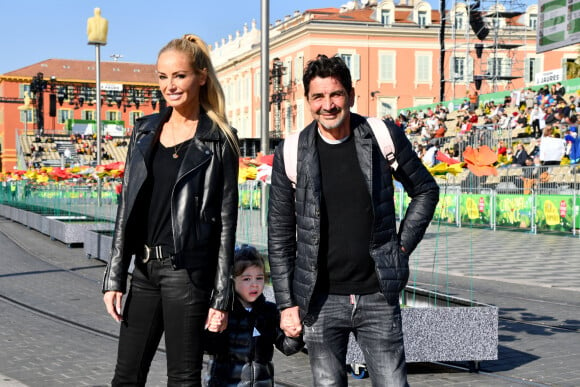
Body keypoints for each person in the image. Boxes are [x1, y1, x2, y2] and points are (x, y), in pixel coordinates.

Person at [267, 55, 440, 386]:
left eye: (335, 95)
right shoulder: (291, 152)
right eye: (318, 97)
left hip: (376, 293)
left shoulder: (380, 136)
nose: (328, 105)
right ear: (308, 101)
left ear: (350, 94)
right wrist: (287, 304)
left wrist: (401, 247)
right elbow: (280, 234)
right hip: (319, 299)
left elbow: (425, 190)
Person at [102, 34, 239, 386]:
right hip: (144, 272)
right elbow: (126, 207)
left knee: (182, 379)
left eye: (179, 75)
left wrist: (222, 297)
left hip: (187, 275)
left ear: (201, 76)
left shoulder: (218, 139)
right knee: (126, 376)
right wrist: (115, 276)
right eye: (162, 76)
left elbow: (226, 222)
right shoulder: (145, 131)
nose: (170, 85)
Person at [204, 245, 304, 386]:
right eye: (246, 279)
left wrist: (295, 335)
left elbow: (287, 347)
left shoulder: (269, 311)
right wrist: (211, 331)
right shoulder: (224, 313)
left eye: (259, 278)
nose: (254, 284)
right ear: (232, 280)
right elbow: (207, 347)